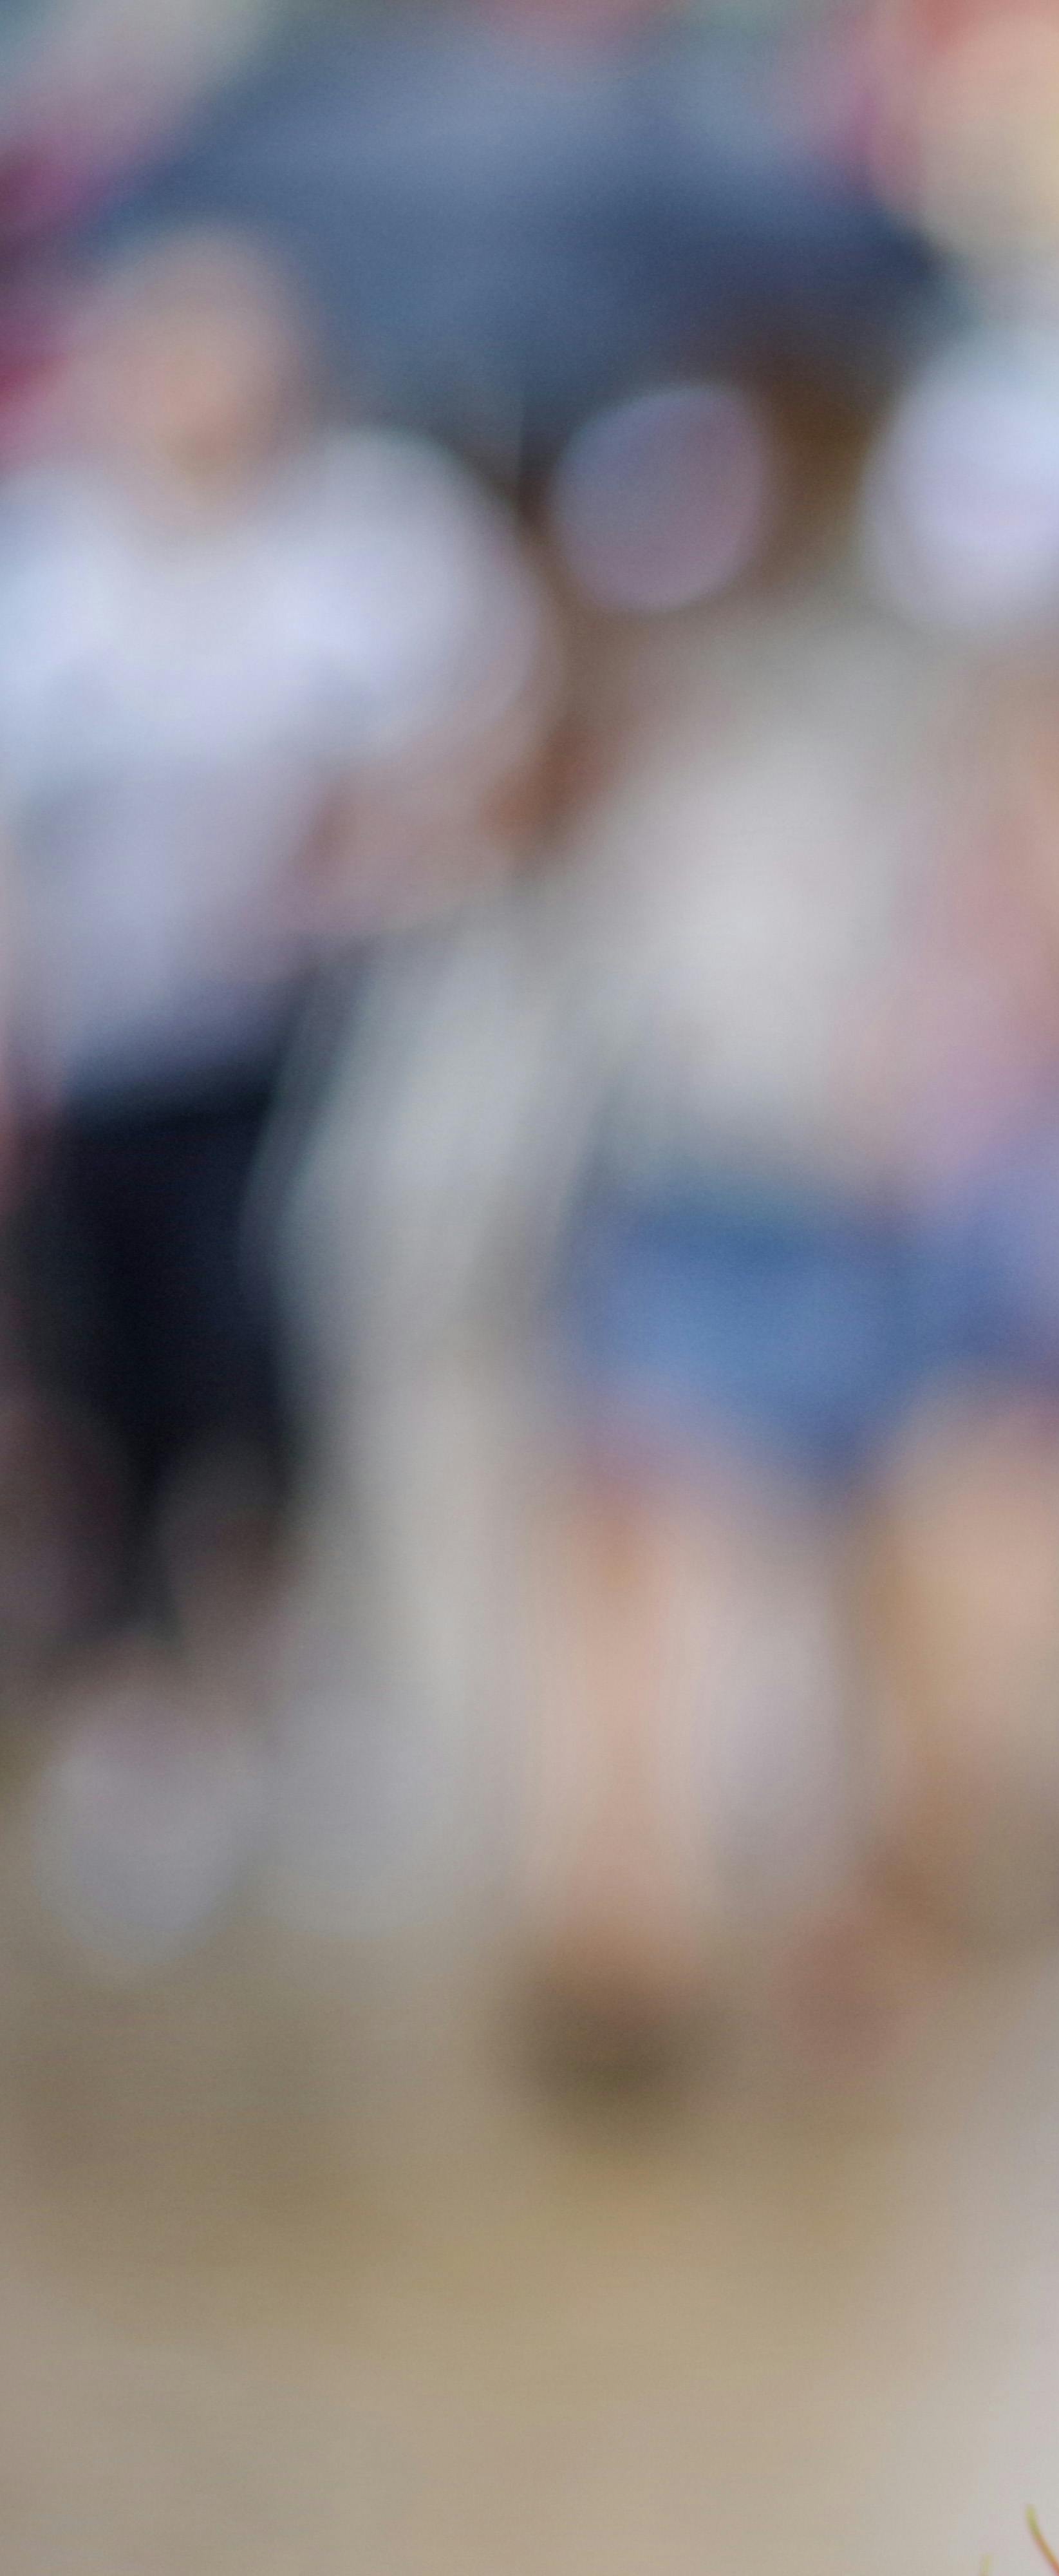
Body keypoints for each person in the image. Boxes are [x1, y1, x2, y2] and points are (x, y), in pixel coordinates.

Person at [520, 357, 1059, 2071]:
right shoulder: (680, 655)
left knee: (824, 1558)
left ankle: (743, 1913)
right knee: (705, 1549)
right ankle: (666, 1906)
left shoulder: (881, 663)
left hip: (837, 1171)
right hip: (731, 1164)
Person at [0, 227, 541, 1965]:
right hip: (97, 1063)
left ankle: (264, 1669)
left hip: (320, 1047)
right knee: (113, 1385)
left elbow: (491, 750)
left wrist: (374, 831)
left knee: (275, 1361)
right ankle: (140, 1704)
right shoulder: (54, 563)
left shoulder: (370, 548)